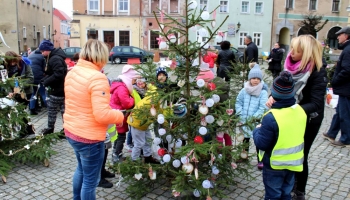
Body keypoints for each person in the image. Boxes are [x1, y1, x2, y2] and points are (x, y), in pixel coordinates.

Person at [266, 35, 327, 200]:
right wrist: (273, 96)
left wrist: (291, 109)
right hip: (289, 115)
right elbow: (281, 85)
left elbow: (315, 104)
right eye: (291, 48)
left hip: (309, 118)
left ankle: (299, 191)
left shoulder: (318, 71)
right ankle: (285, 184)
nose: (290, 52)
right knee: (286, 150)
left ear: (306, 53)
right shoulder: (288, 66)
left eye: (296, 50)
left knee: (300, 154)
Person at [63, 39, 124, 199]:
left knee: (81, 170)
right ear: (101, 57)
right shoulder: (97, 78)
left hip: (72, 131)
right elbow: (102, 115)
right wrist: (119, 115)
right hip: (89, 138)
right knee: (90, 181)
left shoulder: (72, 72)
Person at [253, 71, 307, 200]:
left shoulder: (271, 117)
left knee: (273, 194)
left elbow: (261, 143)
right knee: (286, 193)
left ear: (273, 93)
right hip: (293, 163)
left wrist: (257, 130)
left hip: (274, 165)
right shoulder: (301, 111)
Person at [235, 64, 268, 169]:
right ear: (250, 79)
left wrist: (255, 117)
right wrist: (240, 112)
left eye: (258, 78)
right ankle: (244, 156)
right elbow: (238, 102)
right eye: (254, 78)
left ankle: (261, 160)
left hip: (255, 121)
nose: (256, 80)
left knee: (258, 141)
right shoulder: (244, 90)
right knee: (245, 140)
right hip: (244, 120)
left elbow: (263, 107)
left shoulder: (262, 92)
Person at [323, 27, 350, 147]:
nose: (338, 37)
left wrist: (335, 80)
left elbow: (347, 70)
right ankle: (332, 133)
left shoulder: (348, 50)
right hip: (345, 88)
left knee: (344, 114)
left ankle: (346, 139)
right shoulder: (347, 49)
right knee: (339, 112)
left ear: (347, 36)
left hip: (346, 88)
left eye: (340, 35)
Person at [196, 67, 232, 146]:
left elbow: (212, 105)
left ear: (206, 81)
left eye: (201, 83)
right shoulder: (217, 87)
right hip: (225, 116)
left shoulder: (214, 93)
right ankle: (228, 153)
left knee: (219, 135)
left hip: (220, 116)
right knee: (226, 134)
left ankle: (219, 153)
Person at [110, 64, 139, 163]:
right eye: (134, 80)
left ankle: (116, 153)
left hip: (118, 115)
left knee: (118, 136)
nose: (134, 82)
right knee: (120, 137)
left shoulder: (120, 85)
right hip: (119, 116)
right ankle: (116, 155)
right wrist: (133, 99)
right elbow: (126, 103)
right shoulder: (122, 88)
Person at [39, 40, 67, 135]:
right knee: (63, 111)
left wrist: (47, 81)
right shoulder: (54, 57)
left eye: (43, 51)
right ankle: (64, 130)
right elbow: (54, 73)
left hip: (57, 90)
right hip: (61, 89)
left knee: (53, 110)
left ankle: (51, 129)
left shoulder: (54, 59)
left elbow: (59, 74)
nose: (42, 53)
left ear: (48, 50)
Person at [4, 51, 35, 136]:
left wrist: (20, 87)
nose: (12, 63)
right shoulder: (5, 66)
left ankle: (25, 130)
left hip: (25, 92)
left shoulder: (24, 64)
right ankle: (28, 128)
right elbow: (5, 81)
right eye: (11, 62)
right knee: (19, 111)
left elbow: (31, 78)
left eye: (14, 61)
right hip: (13, 93)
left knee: (21, 110)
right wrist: (9, 91)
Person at [126, 77, 147, 151]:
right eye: (139, 81)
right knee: (132, 130)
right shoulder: (134, 90)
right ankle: (129, 144)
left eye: (143, 81)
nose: (141, 83)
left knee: (139, 131)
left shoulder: (145, 91)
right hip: (134, 114)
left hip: (143, 114)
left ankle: (140, 145)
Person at [28, 48, 47, 115]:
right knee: (43, 93)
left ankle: (32, 109)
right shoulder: (42, 57)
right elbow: (44, 68)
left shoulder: (30, 55)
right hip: (39, 77)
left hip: (30, 77)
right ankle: (48, 107)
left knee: (33, 93)